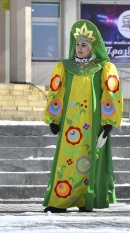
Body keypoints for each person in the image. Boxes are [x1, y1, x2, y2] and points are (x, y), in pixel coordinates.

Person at [43, 19, 123, 213]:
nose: (79, 48)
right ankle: (61, 200)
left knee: (89, 159)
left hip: (92, 123)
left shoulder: (103, 68)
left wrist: (108, 122)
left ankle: (85, 199)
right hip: (70, 125)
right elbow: (56, 92)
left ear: (92, 47)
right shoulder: (65, 67)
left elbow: (110, 93)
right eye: (77, 44)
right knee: (66, 159)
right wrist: (54, 118)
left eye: (84, 45)